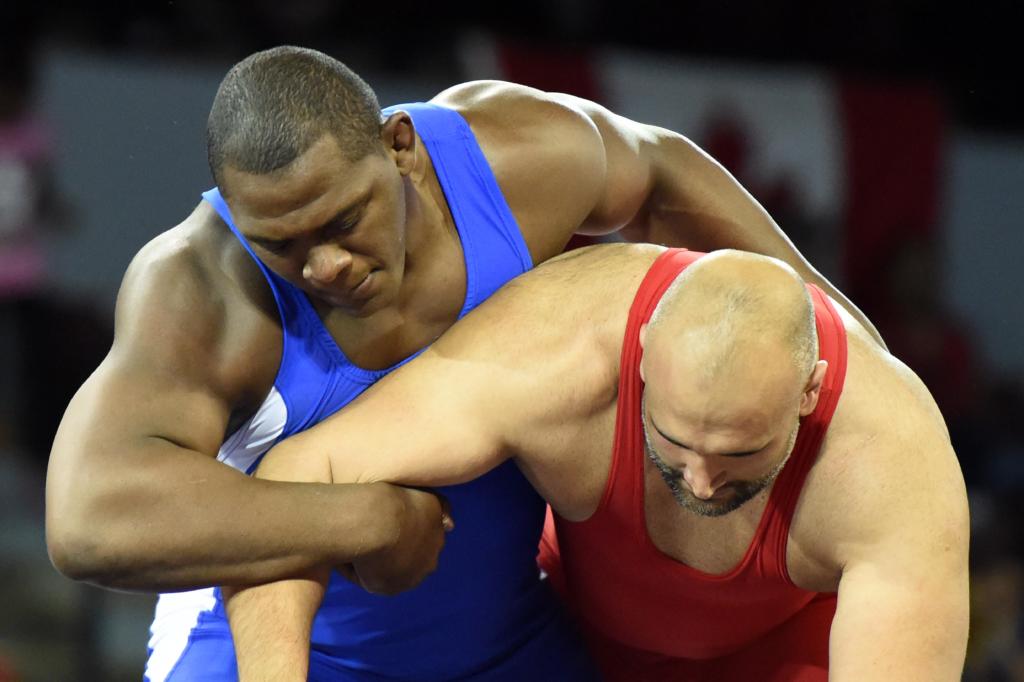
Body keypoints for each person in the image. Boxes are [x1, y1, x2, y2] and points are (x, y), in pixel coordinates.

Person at [45, 46, 881, 681]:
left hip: (505, 638)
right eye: (284, 244)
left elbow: (661, 169)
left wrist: (844, 334)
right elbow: (89, 518)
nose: (325, 267)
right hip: (267, 642)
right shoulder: (202, 287)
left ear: (400, 147)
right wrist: (367, 521)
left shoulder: (515, 167)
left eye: (345, 220)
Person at [227, 245, 968, 681]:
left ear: (811, 394)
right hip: (575, 639)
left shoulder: (889, 459)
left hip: (787, 658)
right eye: (674, 441)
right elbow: (299, 476)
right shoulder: (556, 348)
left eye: (743, 452)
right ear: (638, 357)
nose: (703, 481)